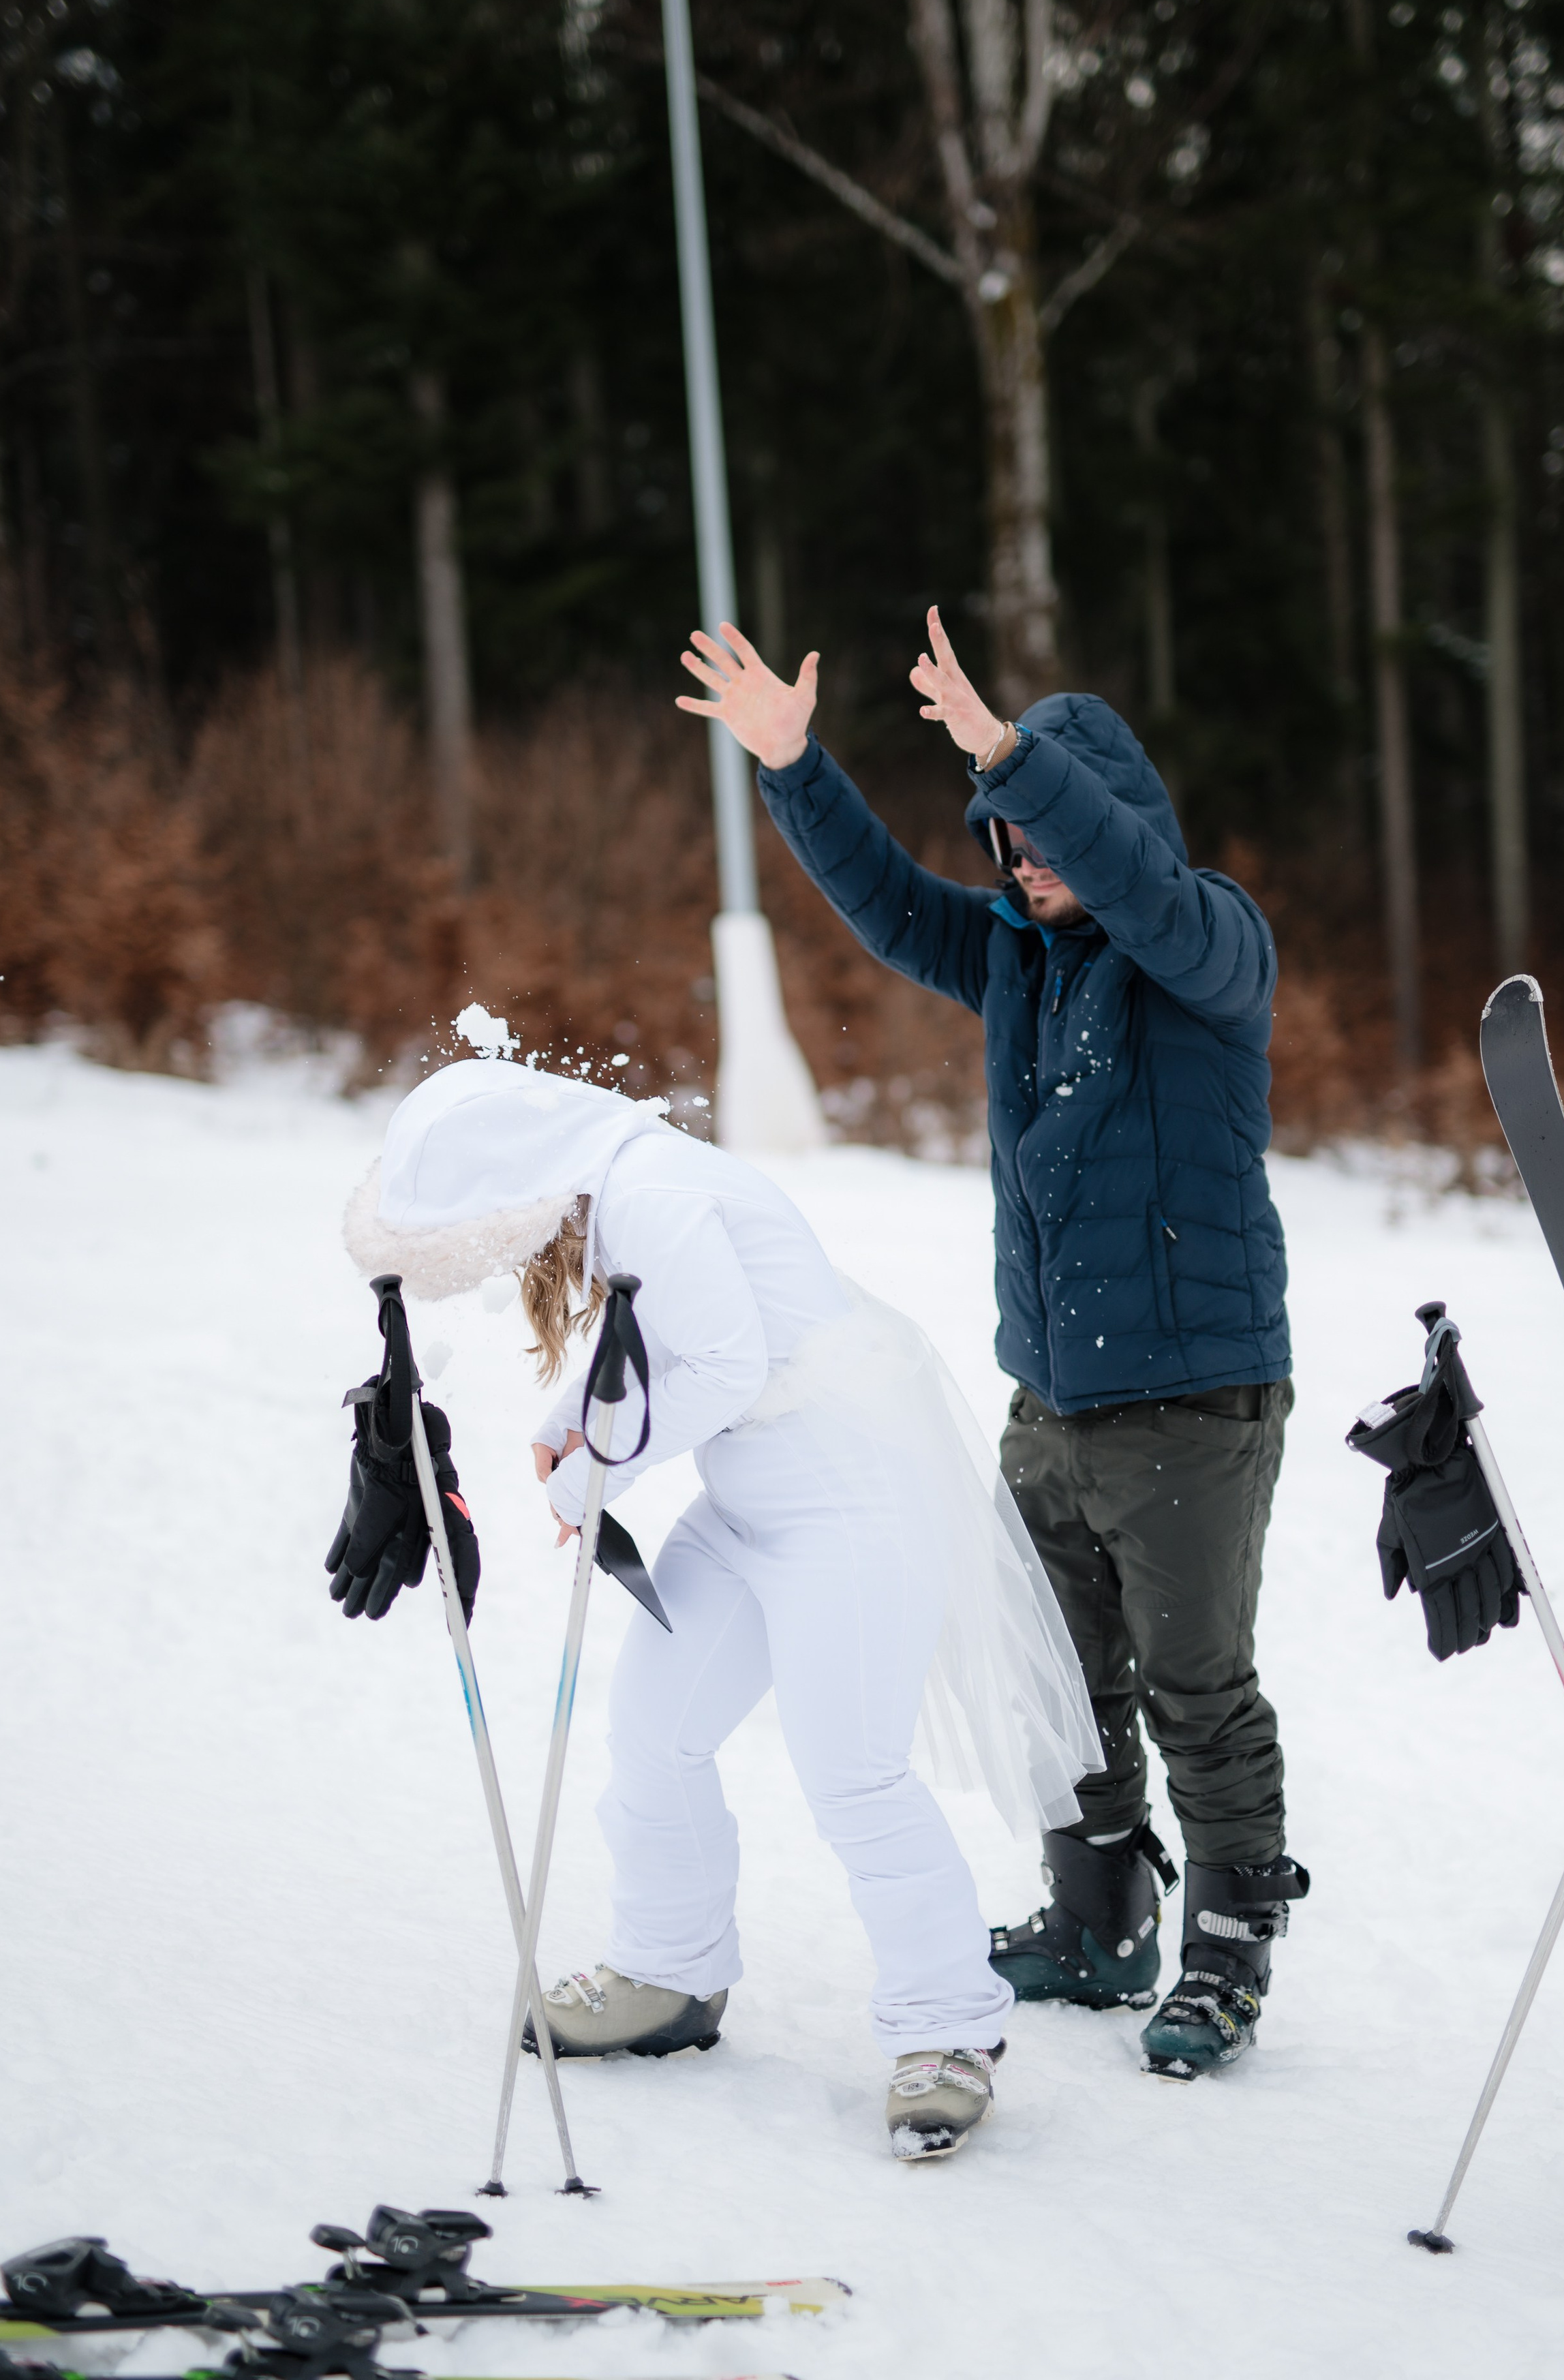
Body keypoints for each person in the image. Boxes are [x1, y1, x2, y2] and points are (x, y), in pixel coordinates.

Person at [677, 611, 1308, 2079]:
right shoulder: (1016, 956)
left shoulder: (1205, 948)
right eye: (1005, 840)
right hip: (1055, 1399)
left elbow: (1143, 893)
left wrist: (1009, 754)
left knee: (1194, 1684)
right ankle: (1095, 1918)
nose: (1023, 861)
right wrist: (794, 768)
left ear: (1108, 822)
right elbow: (892, 905)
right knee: (1058, 1678)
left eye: (1040, 832)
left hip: (1194, 1404)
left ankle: (1225, 1946)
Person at [343, 1046, 1103, 2158]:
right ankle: (672, 1972)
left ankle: (951, 2028)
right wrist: (573, 1414)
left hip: (850, 1508)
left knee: (853, 1774)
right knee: (653, 1735)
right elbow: (657, 1340)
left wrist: (595, 1467)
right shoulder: (620, 1191)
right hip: (753, 1506)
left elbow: (724, 1368)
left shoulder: (649, 1194)